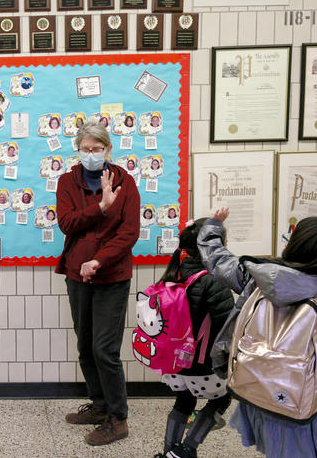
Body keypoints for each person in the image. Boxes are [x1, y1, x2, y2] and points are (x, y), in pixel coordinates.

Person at [198, 211, 317, 458]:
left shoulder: (260, 276)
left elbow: (217, 259)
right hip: (311, 406)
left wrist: (213, 227)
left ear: (296, 247)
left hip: (258, 387)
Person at [56, 121, 141, 446]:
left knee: (105, 350)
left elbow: (128, 233)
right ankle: (100, 405)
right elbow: (67, 223)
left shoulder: (125, 182)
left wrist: (99, 260)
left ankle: (118, 419)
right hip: (77, 275)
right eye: (86, 149)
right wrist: (101, 207)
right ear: (78, 150)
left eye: (97, 149)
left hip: (111, 276)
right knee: (85, 345)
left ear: (108, 149)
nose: (91, 155)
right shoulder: (67, 181)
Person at [152, 219, 234, 458]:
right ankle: (186, 450)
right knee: (221, 400)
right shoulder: (213, 280)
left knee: (184, 401)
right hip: (203, 366)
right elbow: (227, 327)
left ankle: (169, 451)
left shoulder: (171, 274)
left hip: (174, 366)